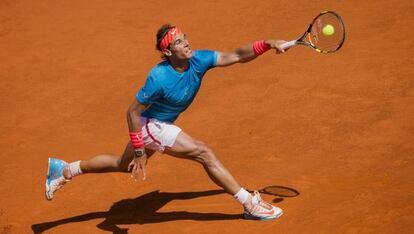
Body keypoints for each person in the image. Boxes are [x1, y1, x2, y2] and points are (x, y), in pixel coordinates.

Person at [46, 24, 288, 220]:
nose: (187, 43)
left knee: (122, 164)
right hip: (150, 124)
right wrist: (140, 149)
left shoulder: (198, 60)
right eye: (180, 42)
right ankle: (249, 203)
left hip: (158, 124)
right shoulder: (159, 77)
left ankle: (65, 169)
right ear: (169, 52)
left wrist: (267, 44)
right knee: (204, 152)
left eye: (185, 38)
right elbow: (132, 113)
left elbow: (235, 55)